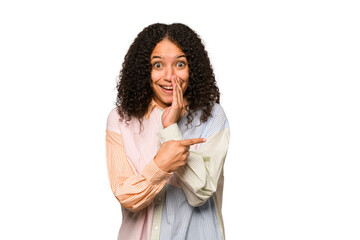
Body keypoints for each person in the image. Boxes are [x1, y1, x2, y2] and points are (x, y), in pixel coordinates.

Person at [105, 23, 230, 240]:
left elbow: (201, 192)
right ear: (145, 70)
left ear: (193, 68)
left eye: (180, 64)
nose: (170, 77)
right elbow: (127, 196)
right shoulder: (120, 119)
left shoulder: (213, 116)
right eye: (158, 65)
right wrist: (160, 165)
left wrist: (171, 128)